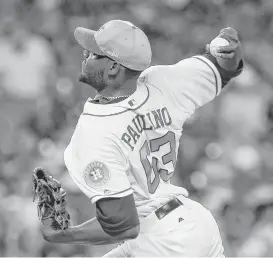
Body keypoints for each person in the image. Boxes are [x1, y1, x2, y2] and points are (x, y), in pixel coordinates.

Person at [40, 19, 243, 257]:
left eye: (94, 54)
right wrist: (228, 49)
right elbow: (225, 67)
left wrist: (60, 234)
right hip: (193, 222)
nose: (84, 55)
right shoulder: (162, 82)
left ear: (114, 68)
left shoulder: (94, 132)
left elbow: (123, 224)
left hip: (163, 242)